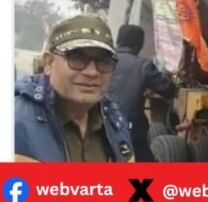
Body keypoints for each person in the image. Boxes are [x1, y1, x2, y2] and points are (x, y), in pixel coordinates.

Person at [14, 14, 134, 162]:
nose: (92, 72)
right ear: (49, 63)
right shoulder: (17, 123)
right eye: (77, 58)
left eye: (104, 61)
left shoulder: (114, 121)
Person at [108, 24, 178, 162]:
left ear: (118, 40)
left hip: (101, 125)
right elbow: (168, 90)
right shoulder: (143, 66)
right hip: (131, 129)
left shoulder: (104, 61)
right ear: (139, 45)